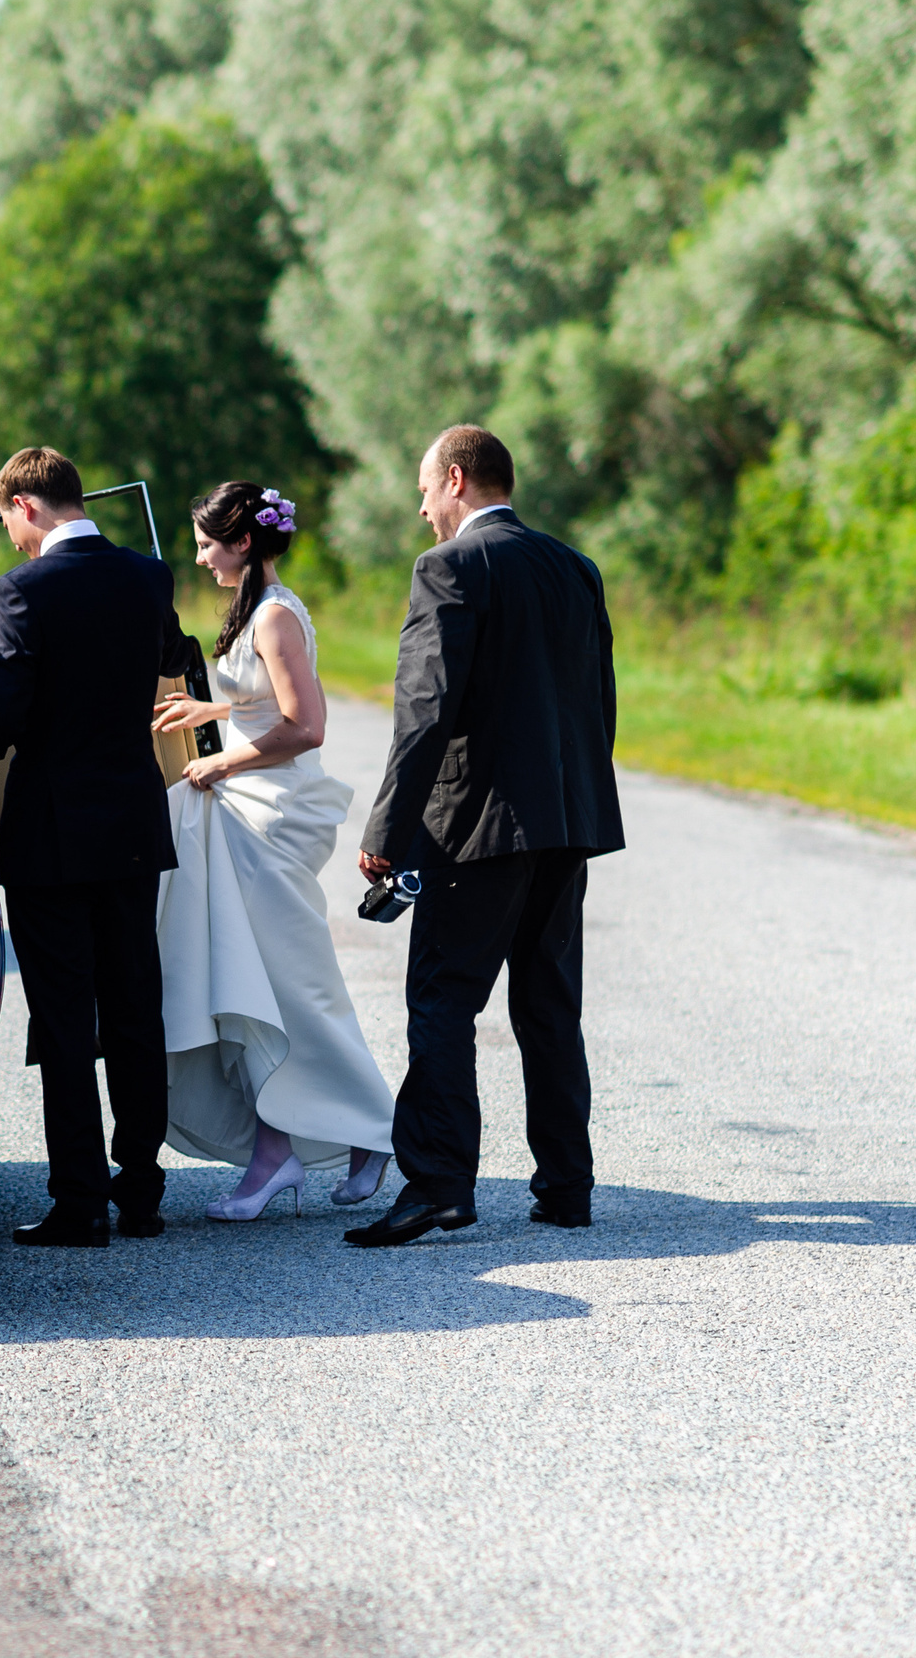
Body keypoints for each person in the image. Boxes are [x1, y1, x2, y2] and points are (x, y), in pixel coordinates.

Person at [347, 426, 624, 1247]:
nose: (423, 506)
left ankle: (437, 1187)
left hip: (475, 829)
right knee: (548, 1005)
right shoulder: (575, 567)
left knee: (441, 999)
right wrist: (574, 804)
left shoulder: (451, 567)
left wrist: (388, 827)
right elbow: (596, 701)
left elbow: (424, 713)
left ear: (458, 479)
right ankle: (567, 1187)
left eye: (427, 488)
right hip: (565, 823)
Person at [0, 447, 186, 1248]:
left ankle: (80, 1200)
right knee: (133, 1007)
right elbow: (171, 662)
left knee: (65, 1016)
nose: (11, 540)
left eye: (8, 523)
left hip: (51, 832)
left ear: (23, 507)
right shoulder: (149, 577)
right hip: (132, 826)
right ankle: (142, 1192)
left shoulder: (24, 590)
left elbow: (5, 709)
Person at [151, 484, 397, 1220]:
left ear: (244, 542)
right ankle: (279, 1146)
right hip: (247, 809)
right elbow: (266, 699)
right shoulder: (262, 611)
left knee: (292, 987)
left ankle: (370, 1130)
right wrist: (214, 711)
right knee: (256, 983)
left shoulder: (276, 615)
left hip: (269, 814)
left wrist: (219, 761)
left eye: (206, 543)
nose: (198, 558)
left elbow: (306, 725)